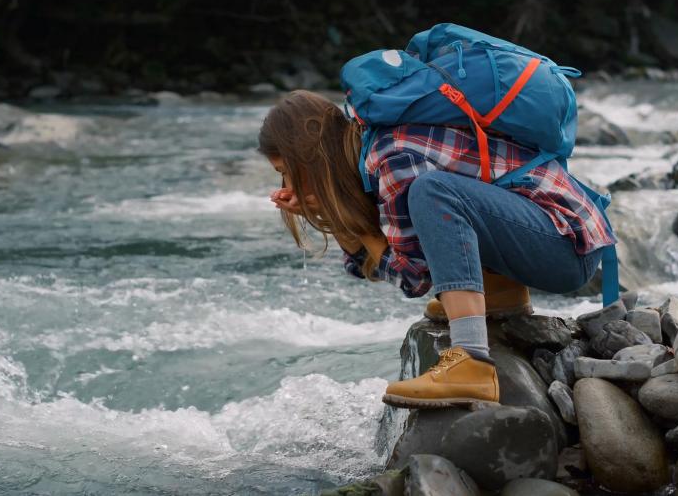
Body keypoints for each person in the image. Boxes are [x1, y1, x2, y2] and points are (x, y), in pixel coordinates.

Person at [258, 90, 617, 409]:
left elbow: (413, 276)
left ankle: (470, 361)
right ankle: (501, 294)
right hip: (555, 236)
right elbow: (428, 257)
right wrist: (333, 212)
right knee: (438, 200)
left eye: (286, 171)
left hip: (565, 248)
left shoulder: (389, 154)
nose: (286, 185)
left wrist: (340, 220)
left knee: (434, 192)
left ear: (309, 158)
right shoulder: (369, 148)